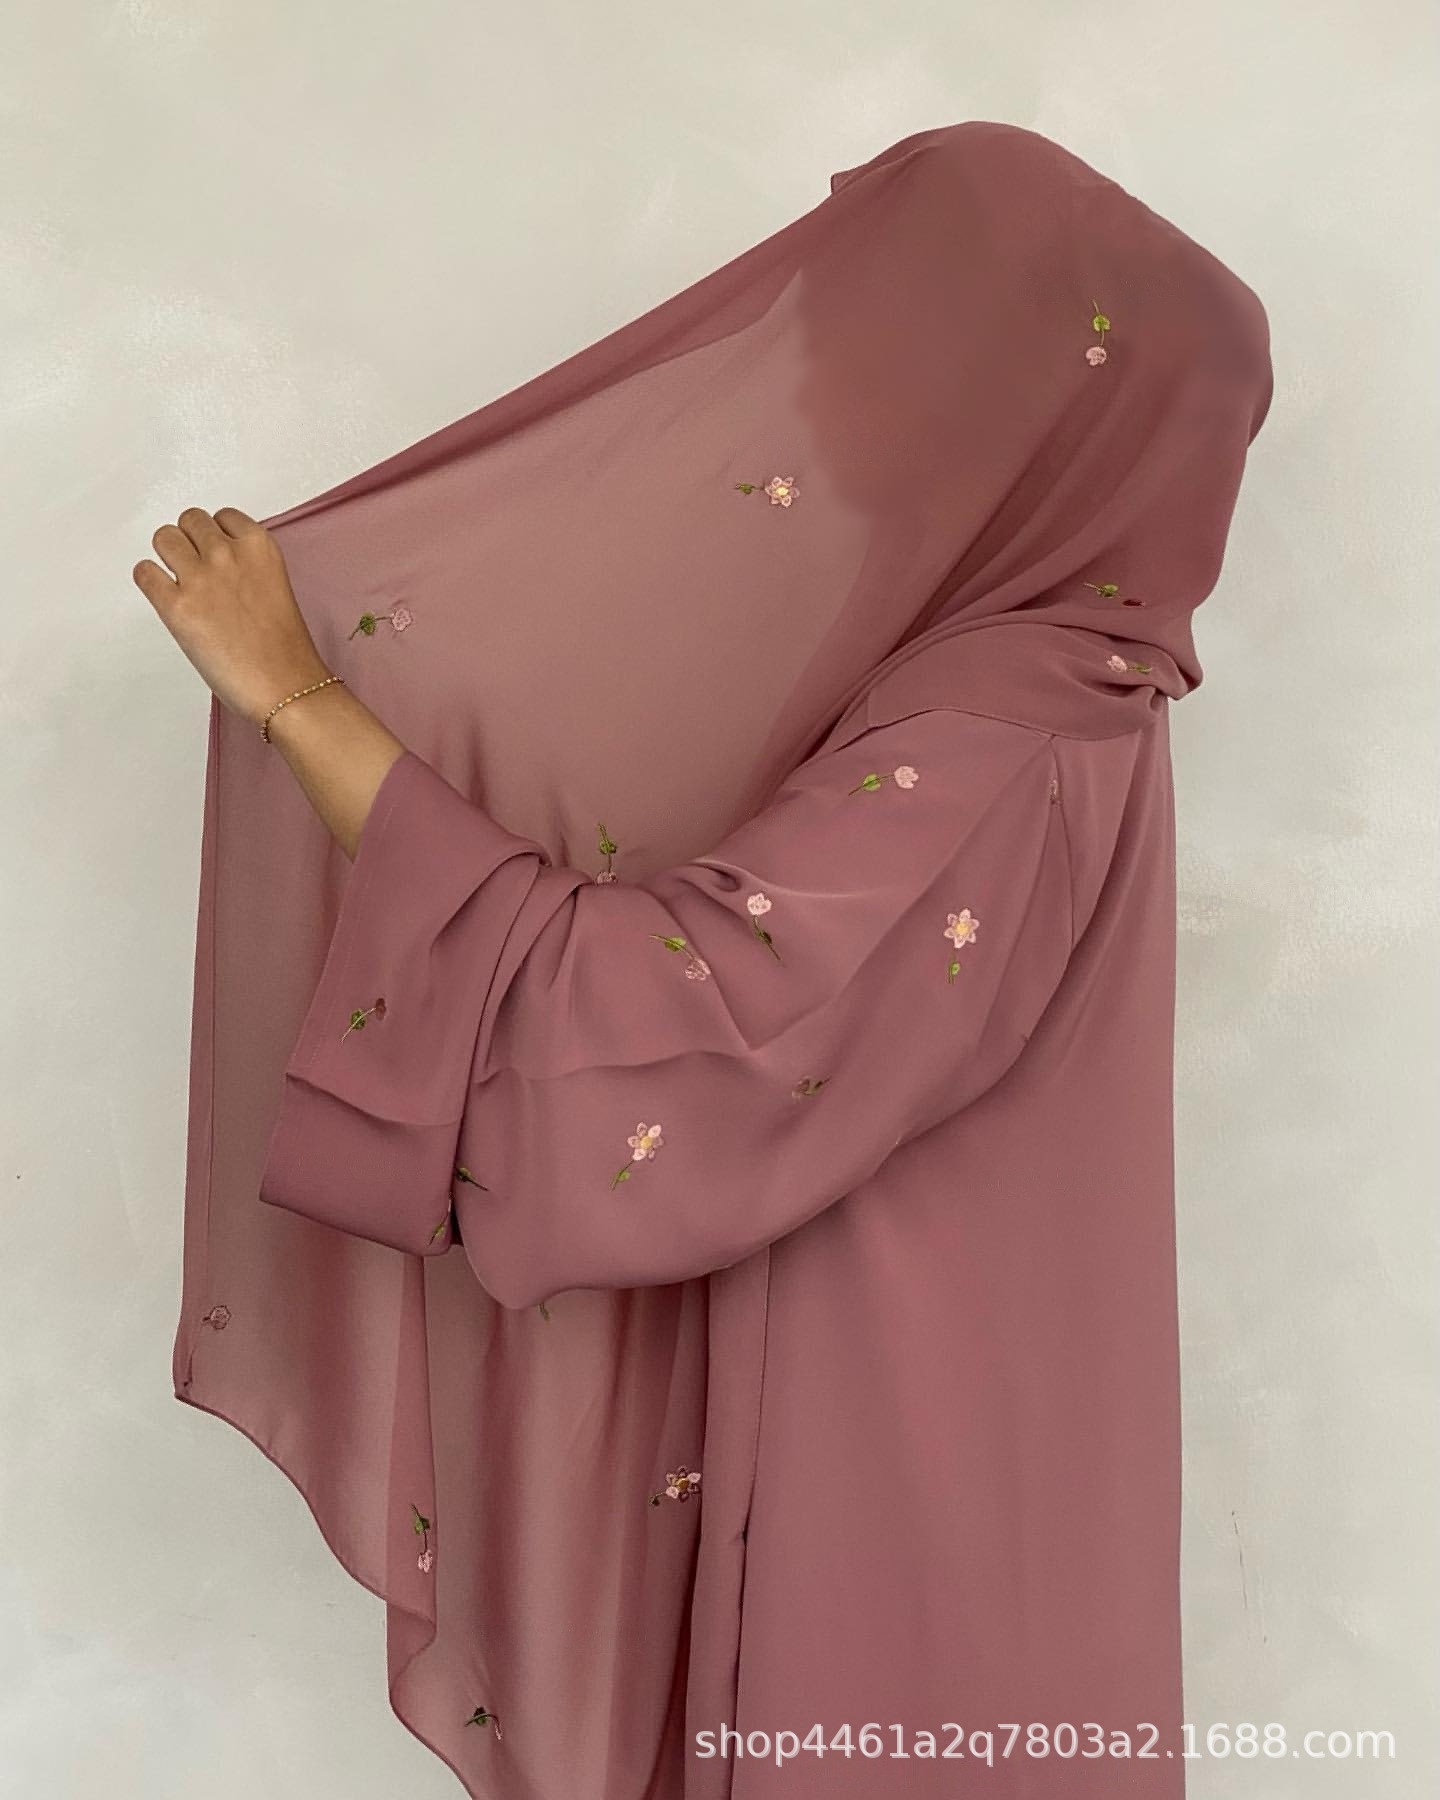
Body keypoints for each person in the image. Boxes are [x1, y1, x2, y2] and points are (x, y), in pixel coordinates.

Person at [141, 122, 1272, 1798]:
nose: (820, 377)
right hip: (936, 1462)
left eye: (896, 341)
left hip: (904, 1518)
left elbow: (674, 1015)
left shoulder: (1011, 731)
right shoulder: (1005, 678)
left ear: (1022, 410)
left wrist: (303, 700)